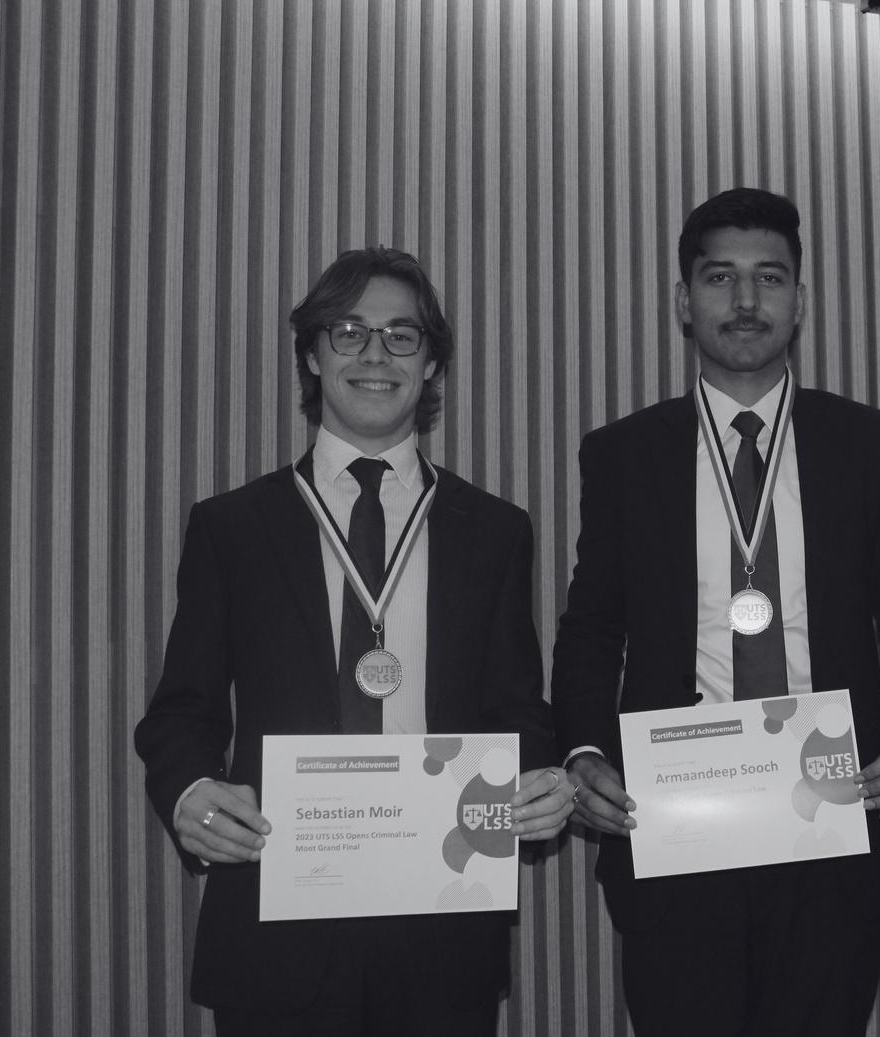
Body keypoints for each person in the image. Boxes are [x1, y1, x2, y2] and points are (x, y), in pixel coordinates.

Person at [134, 246, 574, 1036]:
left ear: (431, 362)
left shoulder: (495, 530)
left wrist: (540, 778)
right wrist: (191, 789)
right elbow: (180, 713)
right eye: (349, 331)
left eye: (402, 335)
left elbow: (516, 706)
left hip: (443, 921)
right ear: (313, 353)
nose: (376, 354)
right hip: (279, 917)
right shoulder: (233, 527)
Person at [551, 187, 880, 1036]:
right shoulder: (624, 454)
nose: (745, 300)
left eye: (769, 278)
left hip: (834, 823)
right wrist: (584, 752)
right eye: (719, 277)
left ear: (799, 301)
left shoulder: (866, 443)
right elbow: (592, 628)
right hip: (676, 823)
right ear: (683, 301)